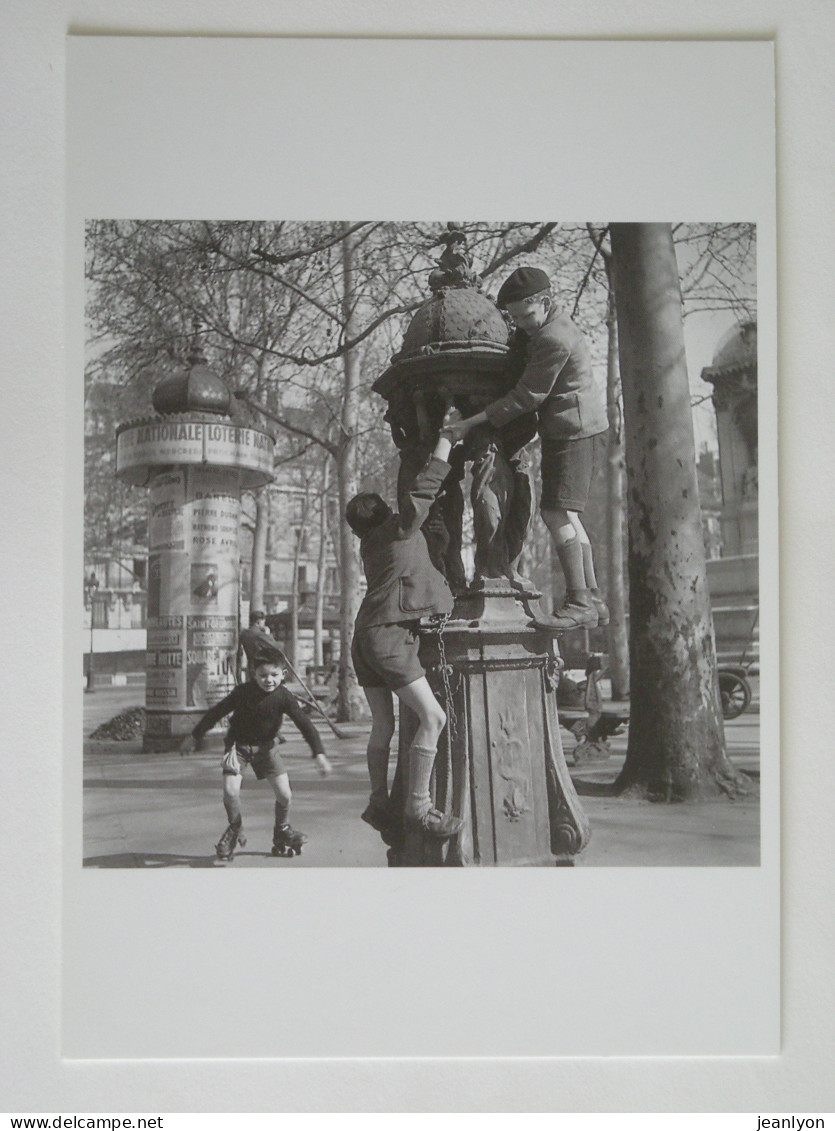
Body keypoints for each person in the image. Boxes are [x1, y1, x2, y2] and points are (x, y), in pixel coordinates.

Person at [446, 266, 609, 631]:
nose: (520, 324)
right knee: (569, 517)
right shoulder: (551, 326)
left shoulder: (554, 338)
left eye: (525, 315)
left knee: (555, 515)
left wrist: (470, 422)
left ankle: (580, 601)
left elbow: (527, 397)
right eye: (514, 317)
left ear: (545, 302)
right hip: (578, 431)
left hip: (573, 432)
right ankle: (593, 597)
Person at [346, 418, 464, 842]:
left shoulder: (369, 544)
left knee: (383, 727)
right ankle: (420, 809)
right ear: (384, 515)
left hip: (364, 637)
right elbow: (425, 488)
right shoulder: (397, 530)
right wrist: (446, 439)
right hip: (389, 637)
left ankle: (379, 802)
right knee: (433, 717)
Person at [179, 638, 332, 861]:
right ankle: (234, 829)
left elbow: (305, 725)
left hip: (267, 748)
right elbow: (217, 712)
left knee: (285, 795)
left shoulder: (284, 697)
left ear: (283, 673)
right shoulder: (243, 692)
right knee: (230, 791)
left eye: (274, 675)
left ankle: (281, 829)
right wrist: (194, 736)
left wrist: (319, 754)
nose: (268, 680)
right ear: (254, 674)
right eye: (262, 676)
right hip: (237, 747)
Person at [237, 610, 286, 742]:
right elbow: (277, 647)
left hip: (252, 671)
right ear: (259, 622)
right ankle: (273, 732)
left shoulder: (245, 634)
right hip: (265, 671)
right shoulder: (260, 634)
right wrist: (268, 634)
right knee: (273, 702)